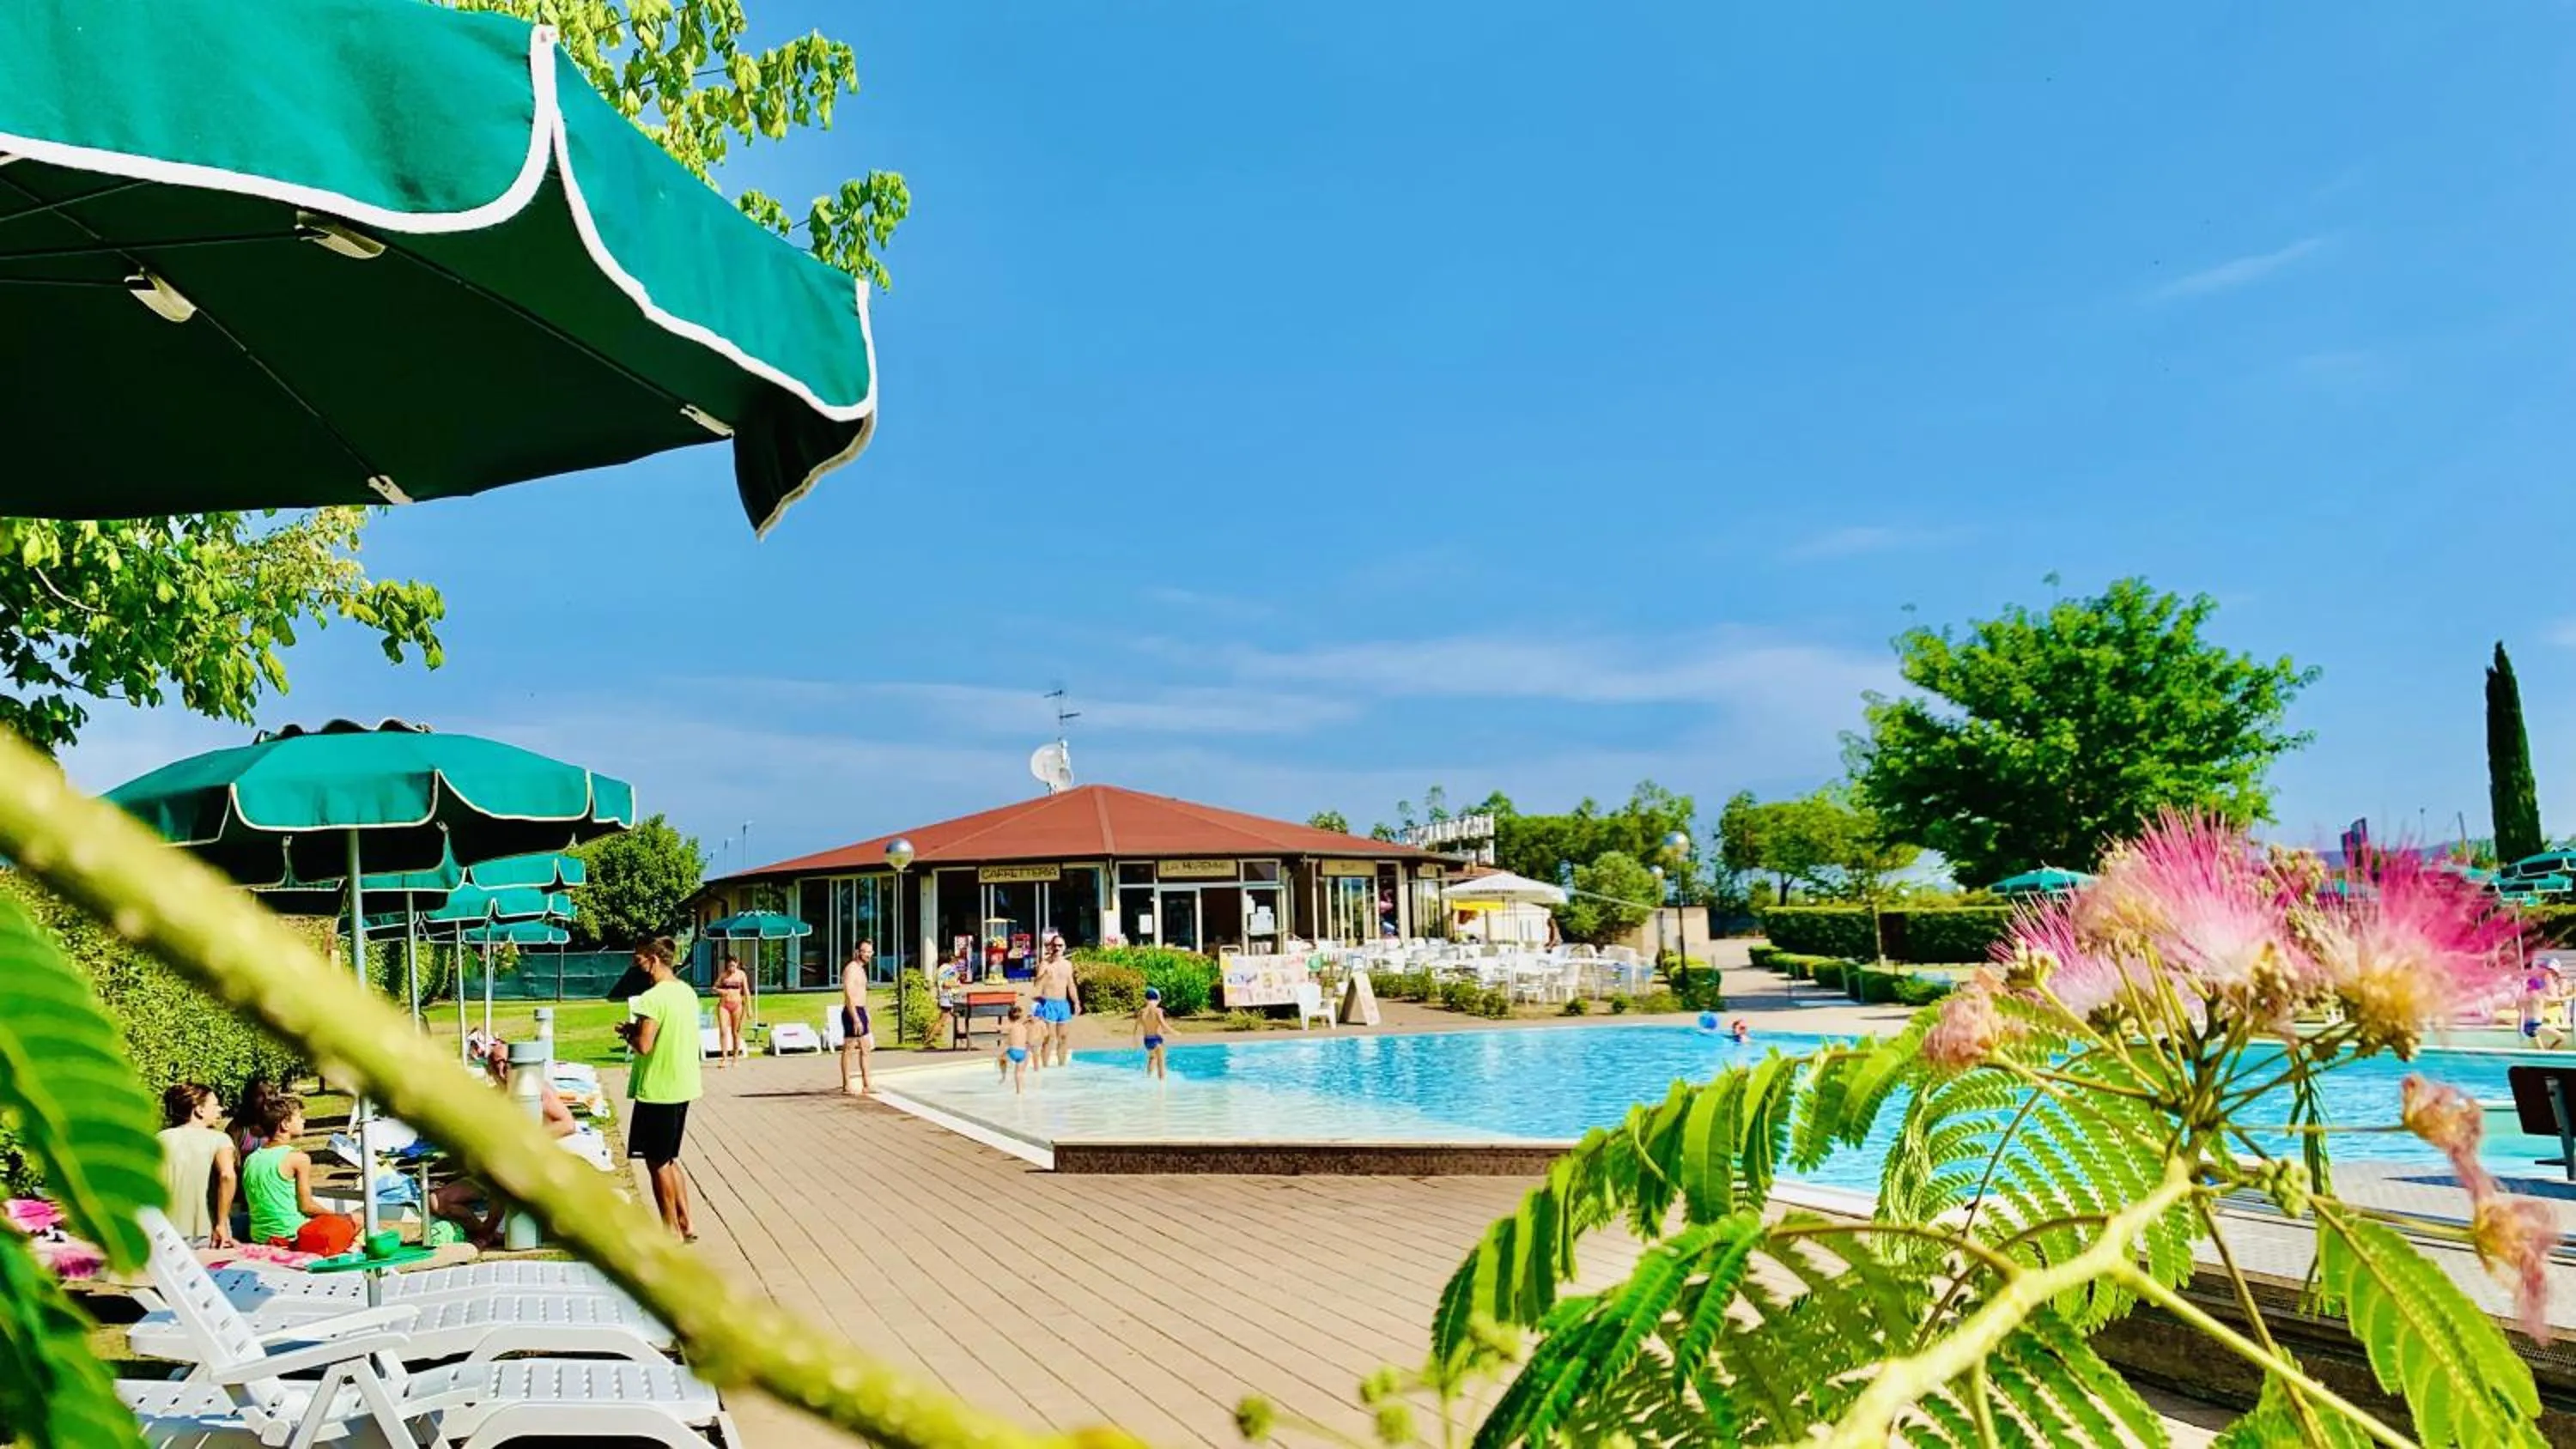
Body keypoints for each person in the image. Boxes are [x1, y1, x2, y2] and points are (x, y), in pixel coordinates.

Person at [617, 936, 702, 1240]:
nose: (637, 967)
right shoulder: (687, 993)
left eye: (638, 961)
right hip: (683, 1083)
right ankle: (687, 1223)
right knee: (668, 1159)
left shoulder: (651, 998)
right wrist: (636, 1030)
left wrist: (630, 1034)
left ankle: (669, 1232)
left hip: (658, 1088)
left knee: (656, 1163)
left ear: (653, 959)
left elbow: (644, 1045)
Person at [241, 1094, 358, 1255]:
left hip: (259, 1236)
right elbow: (306, 1206)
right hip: (292, 1235)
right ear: (284, 1124)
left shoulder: (251, 1159)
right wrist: (339, 1216)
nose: (304, 1121)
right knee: (358, 1220)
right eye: (299, 1117)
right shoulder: (298, 1158)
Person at [157, 1083, 237, 1248]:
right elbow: (227, 1176)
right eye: (215, 1105)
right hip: (206, 1230)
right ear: (199, 1110)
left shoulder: (159, 1139)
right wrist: (221, 1223)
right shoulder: (219, 1140)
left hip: (166, 1230)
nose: (220, 1109)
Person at [1030, 935, 1080, 1068]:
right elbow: (1036, 984)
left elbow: (1071, 985)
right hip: (1049, 1003)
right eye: (1055, 945)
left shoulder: (1068, 965)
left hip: (1063, 1004)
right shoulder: (1045, 964)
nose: (1057, 948)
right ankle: (1045, 1067)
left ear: (1064, 948)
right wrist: (1045, 975)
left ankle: (1061, 1067)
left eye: (1060, 946)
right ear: (1051, 947)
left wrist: (1076, 1002)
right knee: (1049, 1039)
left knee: (1063, 1039)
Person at [840, 941, 877, 1095]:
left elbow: (862, 993)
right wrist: (855, 1017)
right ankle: (847, 1084)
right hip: (852, 1011)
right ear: (857, 952)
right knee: (849, 1048)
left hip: (860, 1010)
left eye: (870, 952)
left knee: (865, 1048)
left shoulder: (861, 970)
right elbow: (849, 994)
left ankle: (867, 1084)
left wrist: (865, 1013)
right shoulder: (851, 969)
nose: (868, 955)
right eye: (865, 951)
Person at [712, 956, 751, 1068]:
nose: (731, 968)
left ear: (737, 964)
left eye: (733, 966)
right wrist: (721, 991)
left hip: (737, 1005)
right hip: (724, 1005)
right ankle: (724, 1058)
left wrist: (749, 1008)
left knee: (736, 1032)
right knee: (723, 1030)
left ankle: (735, 1058)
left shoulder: (741, 975)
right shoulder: (724, 975)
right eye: (729, 966)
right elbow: (714, 988)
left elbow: (747, 991)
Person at [227, 1076, 277, 1158]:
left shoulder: (278, 1124)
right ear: (250, 1098)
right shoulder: (237, 1127)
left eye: (270, 1093)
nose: (267, 1098)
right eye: (259, 1095)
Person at [932, 947, 963, 1049]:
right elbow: (946, 983)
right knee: (942, 1019)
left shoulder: (941, 968)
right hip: (948, 997)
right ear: (950, 958)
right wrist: (956, 984)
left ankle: (959, 1037)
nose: (955, 959)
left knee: (948, 1017)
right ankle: (928, 1039)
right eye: (954, 957)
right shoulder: (948, 968)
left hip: (944, 996)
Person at [1136, 988, 1170, 1082]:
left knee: (1152, 1058)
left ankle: (1149, 1077)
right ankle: (1162, 1083)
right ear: (1158, 999)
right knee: (1161, 1061)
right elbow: (1163, 1024)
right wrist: (1174, 1031)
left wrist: (1134, 1039)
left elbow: (1138, 1025)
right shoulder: (1158, 1010)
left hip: (1147, 1040)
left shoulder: (1142, 1011)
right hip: (1157, 1039)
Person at [999, 1003, 1032, 1094]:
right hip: (1023, 1053)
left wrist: (994, 1026)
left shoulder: (1012, 1026)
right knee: (1019, 1073)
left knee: (1001, 1058)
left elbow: (1002, 1028)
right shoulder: (1023, 1027)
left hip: (1013, 1051)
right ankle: (1019, 1091)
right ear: (1021, 1018)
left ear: (1009, 1018)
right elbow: (1026, 1041)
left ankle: (1003, 1076)